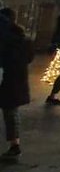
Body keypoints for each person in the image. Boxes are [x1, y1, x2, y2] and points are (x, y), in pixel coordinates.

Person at [0, 8, 32, 159]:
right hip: (17, 79)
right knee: (11, 112)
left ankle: (14, 146)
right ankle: (15, 144)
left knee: (10, 111)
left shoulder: (5, 37)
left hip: (8, 78)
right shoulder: (22, 37)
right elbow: (29, 57)